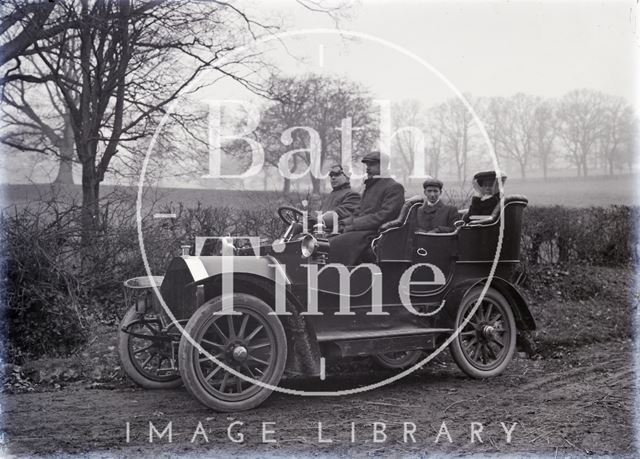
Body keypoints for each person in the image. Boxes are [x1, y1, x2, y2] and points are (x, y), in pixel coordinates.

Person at [329, 151, 405, 265]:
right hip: (363, 230)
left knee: (338, 243)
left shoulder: (394, 187)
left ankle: (342, 276)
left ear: (383, 166)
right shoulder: (369, 186)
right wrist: (343, 223)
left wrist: (355, 225)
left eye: (372, 165)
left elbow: (384, 216)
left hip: (377, 233)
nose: (368, 168)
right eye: (367, 165)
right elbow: (358, 212)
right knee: (328, 238)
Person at [316, 164, 361, 233]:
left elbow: (338, 214)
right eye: (331, 175)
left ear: (347, 177)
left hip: (336, 234)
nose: (333, 178)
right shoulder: (331, 195)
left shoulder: (353, 195)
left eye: (337, 174)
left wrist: (316, 220)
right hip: (321, 231)